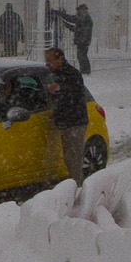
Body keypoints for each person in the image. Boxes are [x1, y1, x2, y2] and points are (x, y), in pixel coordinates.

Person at [44, 47, 90, 188]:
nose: (48, 64)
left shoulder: (72, 74)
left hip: (74, 123)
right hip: (65, 122)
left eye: (51, 61)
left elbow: (74, 94)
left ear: (61, 59)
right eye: (46, 61)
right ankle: (75, 186)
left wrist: (60, 89)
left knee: (73, 159)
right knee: (69, 158)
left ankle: (78, 190)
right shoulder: (53, 74)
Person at [59, 3, 94, 75]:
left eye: (78, 10)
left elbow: (77, 27)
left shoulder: (84, 16)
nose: (77, 12)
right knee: (82, 55)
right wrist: (64, 16)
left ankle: (85, 70)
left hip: (82, 40)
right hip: (83, 40)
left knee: (81, 55)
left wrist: (67, 24)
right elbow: (73, 19)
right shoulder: (84, 16)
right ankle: (85, 70)